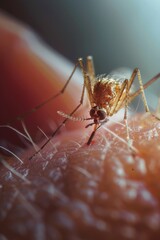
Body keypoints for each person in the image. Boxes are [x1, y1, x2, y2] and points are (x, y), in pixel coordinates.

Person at [0, 12, 160, 240]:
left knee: (130, 74)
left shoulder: (111, 103)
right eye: (94, 115)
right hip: (101, 94)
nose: (94, 119)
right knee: (83, 63)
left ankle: (150, 114)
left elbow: (129, 80)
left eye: (97, 115)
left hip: (113, 94)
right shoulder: (95, 105)